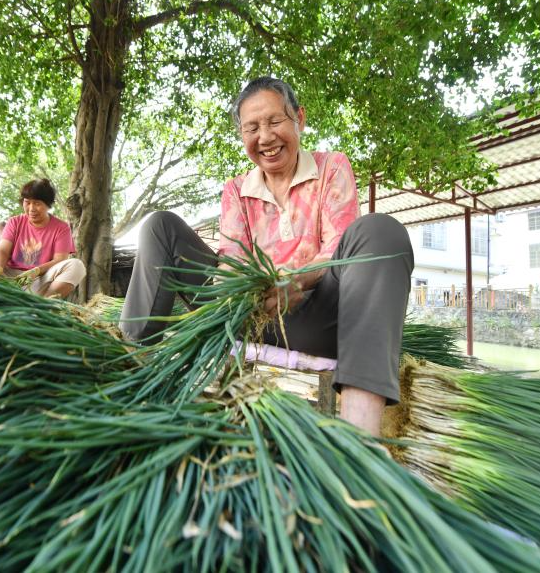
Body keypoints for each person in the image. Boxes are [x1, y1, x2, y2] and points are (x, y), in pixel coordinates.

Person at [119, 77, 414, 436]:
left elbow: (338, 247)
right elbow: (230, 261)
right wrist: (245, 292)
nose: (266, 138)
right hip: (247, 316)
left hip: (314, 318)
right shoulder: (237, 190)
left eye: (275, 122)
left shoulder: (331, 168)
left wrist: (297, 281)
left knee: (381, 231)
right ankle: (131, 367)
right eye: (252, 128)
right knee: (159, 226)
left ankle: (359, 435)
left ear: (299, 119)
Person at [0, 178, 86, 298]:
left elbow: (60, 260)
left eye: (37, 203)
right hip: (7, 277)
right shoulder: (15, 222)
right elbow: (3, 250)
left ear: (48, 205)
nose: (31, 208)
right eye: (27, 202)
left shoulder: (61, 228)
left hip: (37, 281)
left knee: (77, 265)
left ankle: (40, 304)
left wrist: (36, 271)